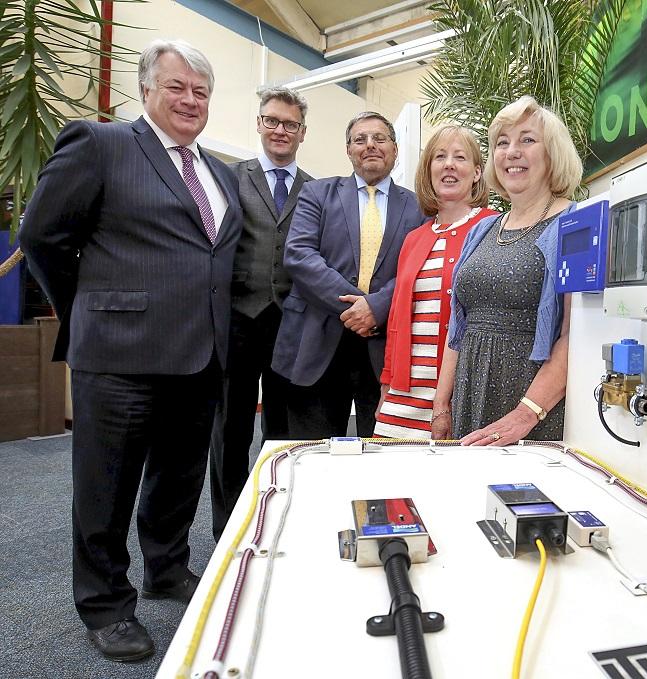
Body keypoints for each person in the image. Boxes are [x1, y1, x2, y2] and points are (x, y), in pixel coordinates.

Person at [19, 40, 240, 662]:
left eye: (200, 91)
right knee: (105, 488)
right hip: (119, 356)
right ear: (146, 90)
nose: (190, 100)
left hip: (199, 358)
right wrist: (87, 303)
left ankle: (166, 569)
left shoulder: (218, 173)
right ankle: (106, 604)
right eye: (177, 87)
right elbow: (42, 234)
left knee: (179, 478)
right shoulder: (102, 144)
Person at [435, 96, 582, 445]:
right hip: (470, 394)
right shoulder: (482, 230)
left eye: (527, 140)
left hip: (532, 406)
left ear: (553, 154)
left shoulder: (574, 224)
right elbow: (459, 327)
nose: (511, 152)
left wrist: (525, 414)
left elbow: (574, 336)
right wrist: (442, 404)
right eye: (502, 143)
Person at [272, 112, 424, 438]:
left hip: (383, 347)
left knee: (379, 459)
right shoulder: (316, 193)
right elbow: (299, 255)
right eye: (360, 139)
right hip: (316, 343)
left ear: (395, 150)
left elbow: (418, 270)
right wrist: (357, 308)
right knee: (312, 455)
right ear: (348, 150)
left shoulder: (418, 208)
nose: (370, 145)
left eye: (379, 138)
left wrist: (376, 309)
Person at [209, 87, 313, 541]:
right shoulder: (228, 177)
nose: (280, 131)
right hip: (236, 320)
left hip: (291, 323)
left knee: (283, 428)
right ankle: (227, 529)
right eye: (272, 121)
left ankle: (278, 523)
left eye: (289, 124)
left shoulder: (317, 189)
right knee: (230, 429)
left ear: (302, 133)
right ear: (259, 124)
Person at [374, 126, 497, 439]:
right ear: (428, 170)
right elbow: (397, 322)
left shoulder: (493, 226)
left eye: (460, 157)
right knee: (387, 485)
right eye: (440, 157)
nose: (449, 165)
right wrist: (386, 384)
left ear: (477, 172)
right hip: (403, 391)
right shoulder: (414, 239)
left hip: (457, 391)